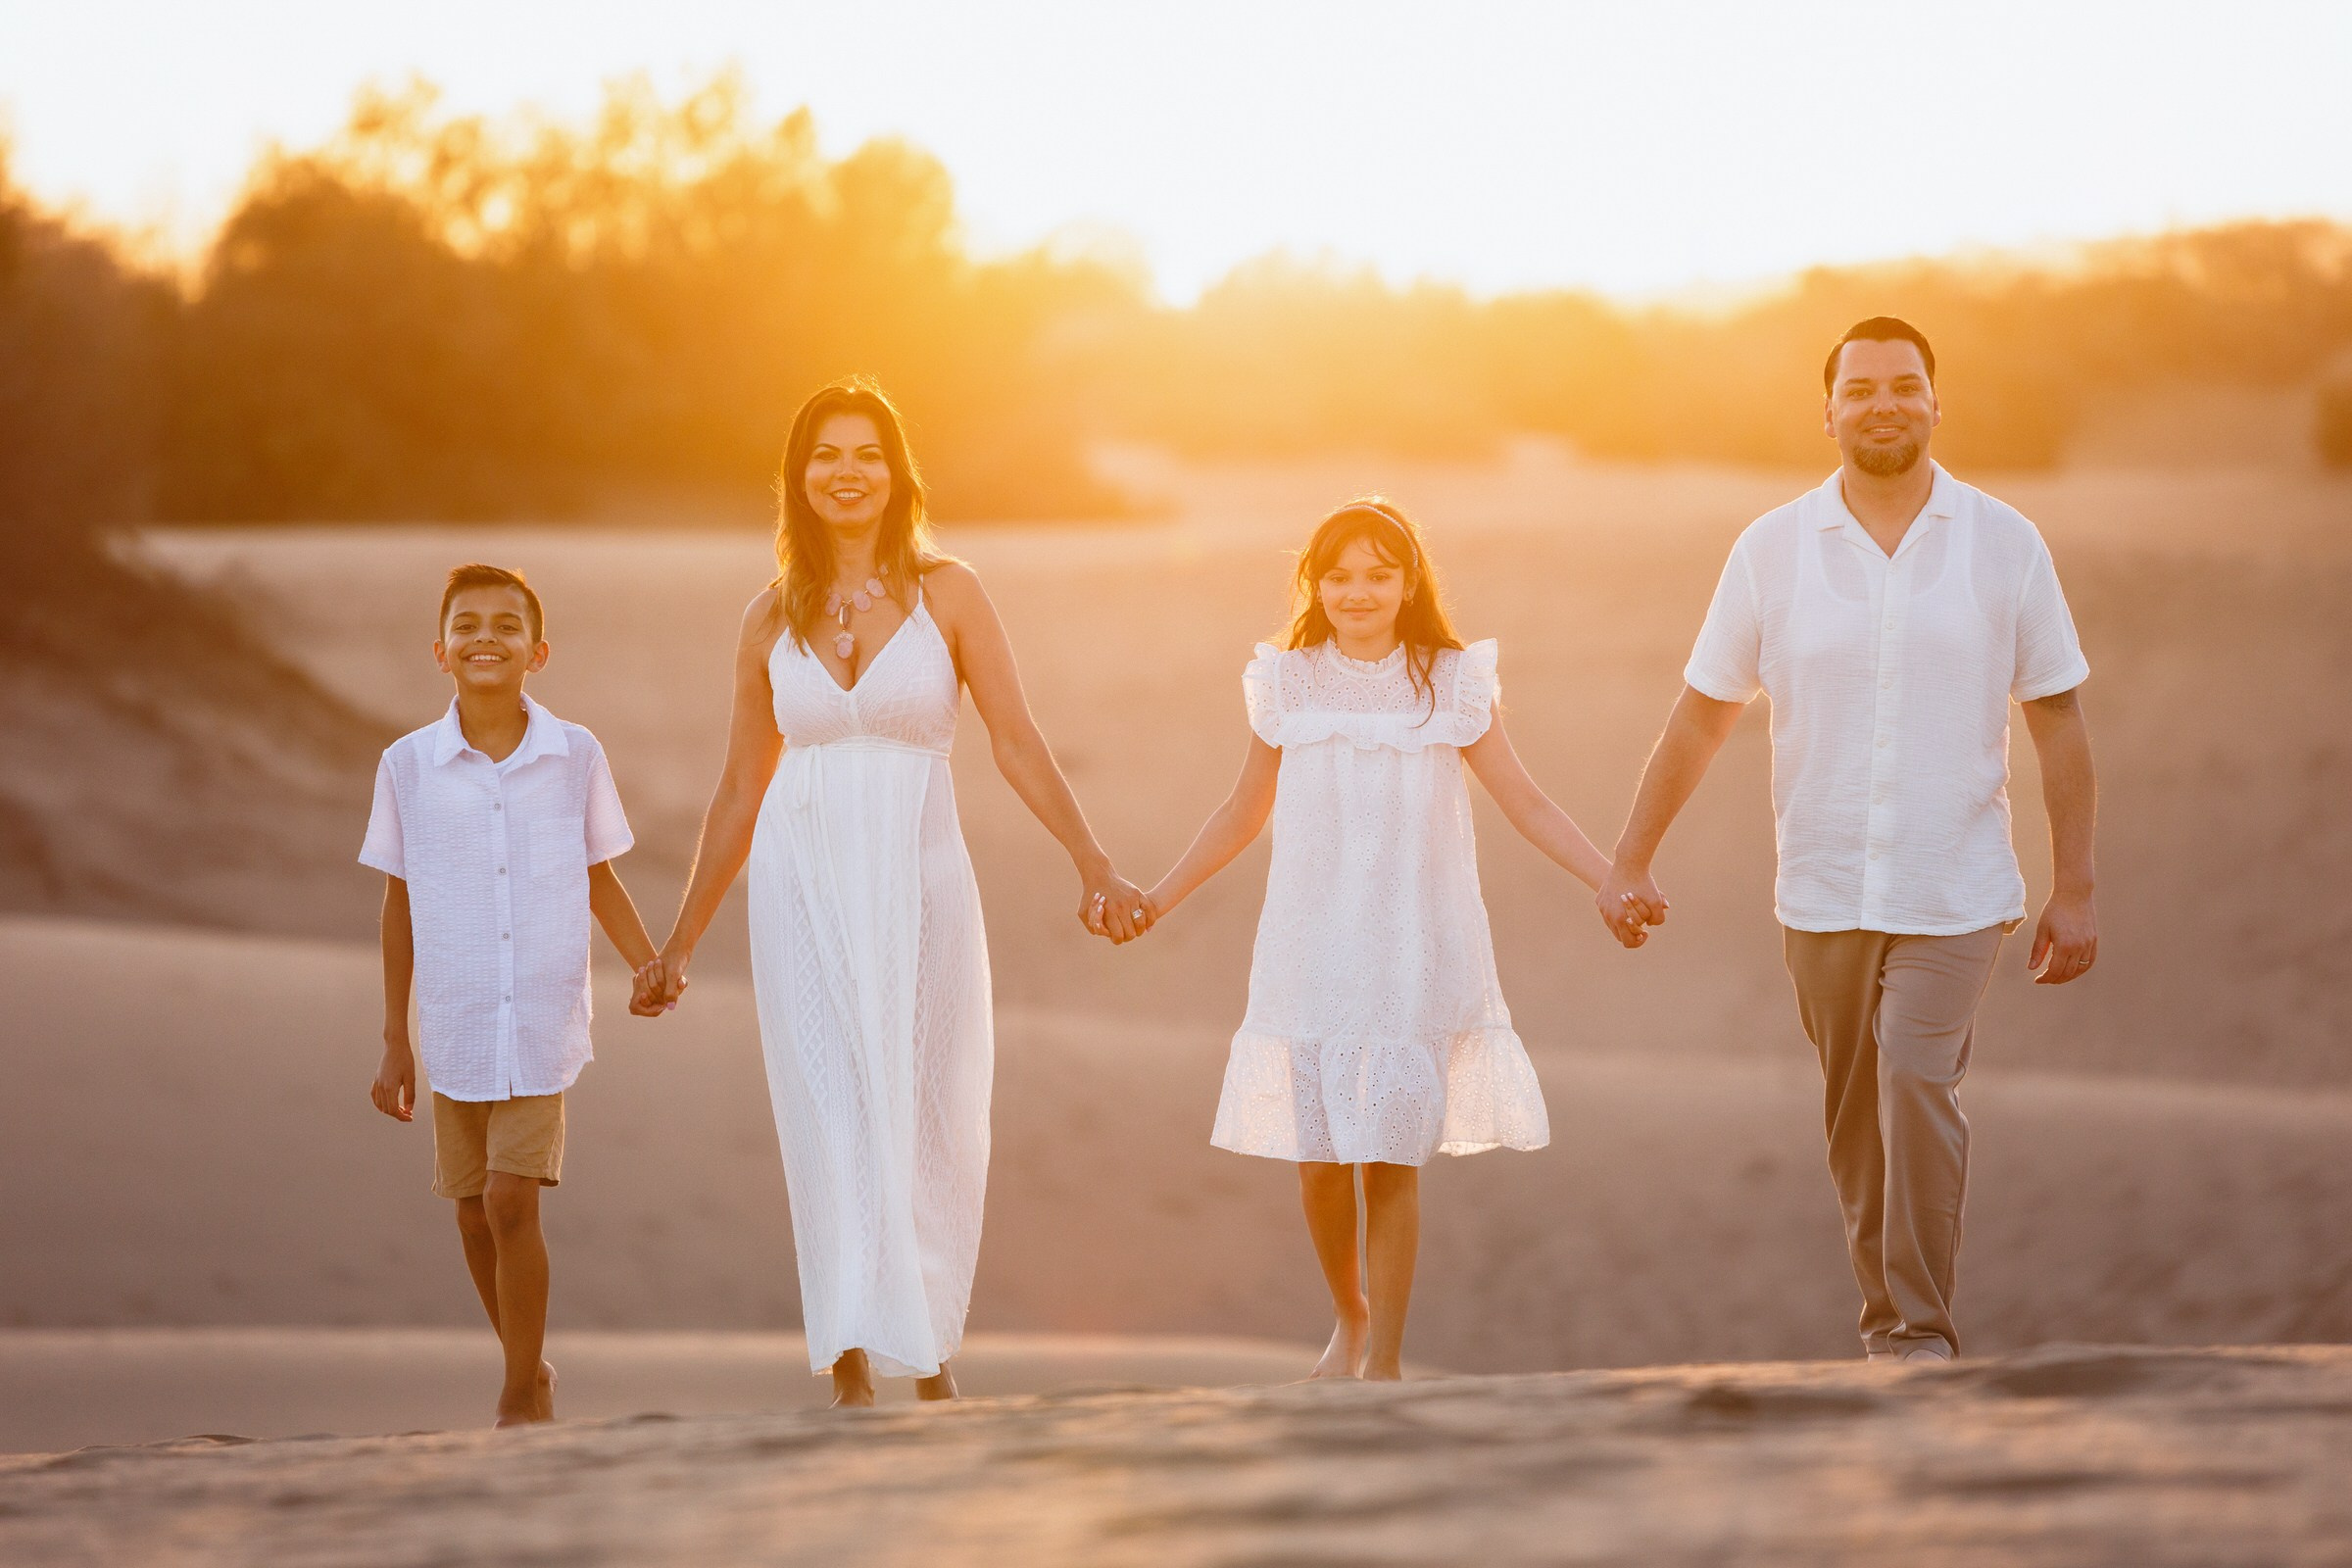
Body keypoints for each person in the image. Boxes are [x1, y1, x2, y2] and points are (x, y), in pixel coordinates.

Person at [639, 376, 1150, 1407]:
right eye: (825, 455)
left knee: (922, 1103)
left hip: (918, 879)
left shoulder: (950, 591)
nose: (846, 472)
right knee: (829, 1107)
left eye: (866, 453)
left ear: (897, 471)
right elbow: (741, 786)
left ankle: (929, 1350)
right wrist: (681, 943)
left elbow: (1014, 738)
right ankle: (851, 1358)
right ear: (799, 477)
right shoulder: (765, 617)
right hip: (804, 886)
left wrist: (1093, 862)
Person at [1596, 318, 2099, 1363]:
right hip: (1821, 887)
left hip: (1955, 886)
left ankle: (1920, 1332)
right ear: (1827, 412)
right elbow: (1702, 714)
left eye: (1904, 385)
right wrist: (1632, 856)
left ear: (1935, 400)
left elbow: (2057, 717)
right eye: (1861, 389)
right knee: (1854, 1128)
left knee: (1916, 1080)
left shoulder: (2004, 541)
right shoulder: (1770, 549)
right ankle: (1888, 1327)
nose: (1883, 405)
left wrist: (2076, 886)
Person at [1140, 498, 1609, 1380]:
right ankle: (1349, 1316)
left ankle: (1384, 1362)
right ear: (1315, 583)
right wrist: (1157, 898)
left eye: (1379, 574)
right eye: (1341, 575)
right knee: (1320, 1164)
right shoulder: (1286, 679)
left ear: (1408, 582)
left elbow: (1527, 801)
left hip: (1408, 945)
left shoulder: (1450, 679)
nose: (1359, 592)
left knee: (1389, 1158)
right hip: (1311, 943)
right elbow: (1243, 811)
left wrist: (1613, 876)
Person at [362, 563, 663, 1425]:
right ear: (440, 650)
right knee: (467, 1215)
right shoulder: (407, 766)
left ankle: (515, 1397)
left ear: (538, 651)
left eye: (504, 624)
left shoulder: (576, 755)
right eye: (466, 624)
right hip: (453, 1021)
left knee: (509, 1199)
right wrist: (394, 1038)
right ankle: (532, 1370)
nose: (483, 636)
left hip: (538, 1015)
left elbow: (599, 874)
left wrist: (647, 962)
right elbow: (398, 905)